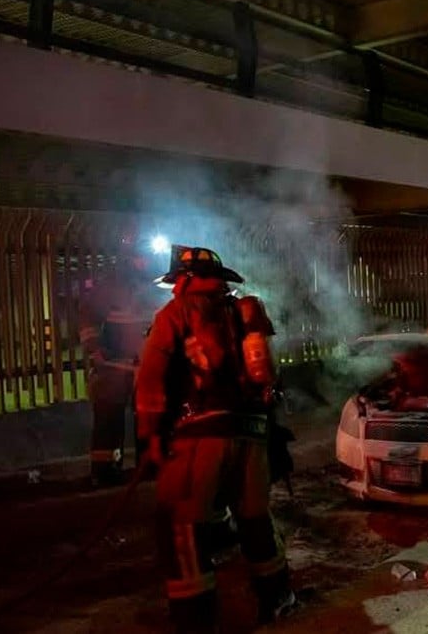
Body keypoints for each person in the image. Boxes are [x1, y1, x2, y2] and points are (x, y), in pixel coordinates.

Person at [136, 246, 295, 633]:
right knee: (254, 519)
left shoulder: (174, 314)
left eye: (176, 282)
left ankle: (196, 620)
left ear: (184, 280)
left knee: (181, 526)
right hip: (252, 435)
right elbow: (268, 379)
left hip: (200, 435)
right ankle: (278, 600)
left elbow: (151, 378)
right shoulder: (243, 313)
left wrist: (150, 436)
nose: (174, 289)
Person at [78, 245, 166, 487]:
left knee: (149, 419)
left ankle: (147, 466)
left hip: (147, 368)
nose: (144, 262)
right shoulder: (109, 287)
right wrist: (95, 348)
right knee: (108, 420)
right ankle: (105, 469)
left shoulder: (160, 287)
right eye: (140, 257)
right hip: (114, 367)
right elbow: (88, 317)